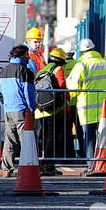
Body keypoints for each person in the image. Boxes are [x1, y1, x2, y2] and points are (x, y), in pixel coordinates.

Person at [65, 38, 106, 165]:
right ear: (94, 49)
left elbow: (72, 89)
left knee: (89, 140)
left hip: (87, 111)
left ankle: (92, 165)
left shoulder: (81, 66)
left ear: (82, 52)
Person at [0, 44, 37, 176]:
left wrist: (5, 106)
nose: (29, 58)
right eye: (27, 55)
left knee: (9, 139)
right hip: (21, 110)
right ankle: (28, 168)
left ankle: (6, 169)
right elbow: (29, 93)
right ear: (21, 55)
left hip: (8, 110)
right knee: (26, 140)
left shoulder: (3, 71)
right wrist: (31, 108)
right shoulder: (25, 71)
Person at [33, 47, 70, 175]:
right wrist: (67, 103)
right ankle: (49, 166)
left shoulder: (42, 70)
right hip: (53, 110)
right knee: (52, 138)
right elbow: (62, 87)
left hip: (40, 110)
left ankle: (40, 165)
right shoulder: (58, 69)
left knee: (42, 139)